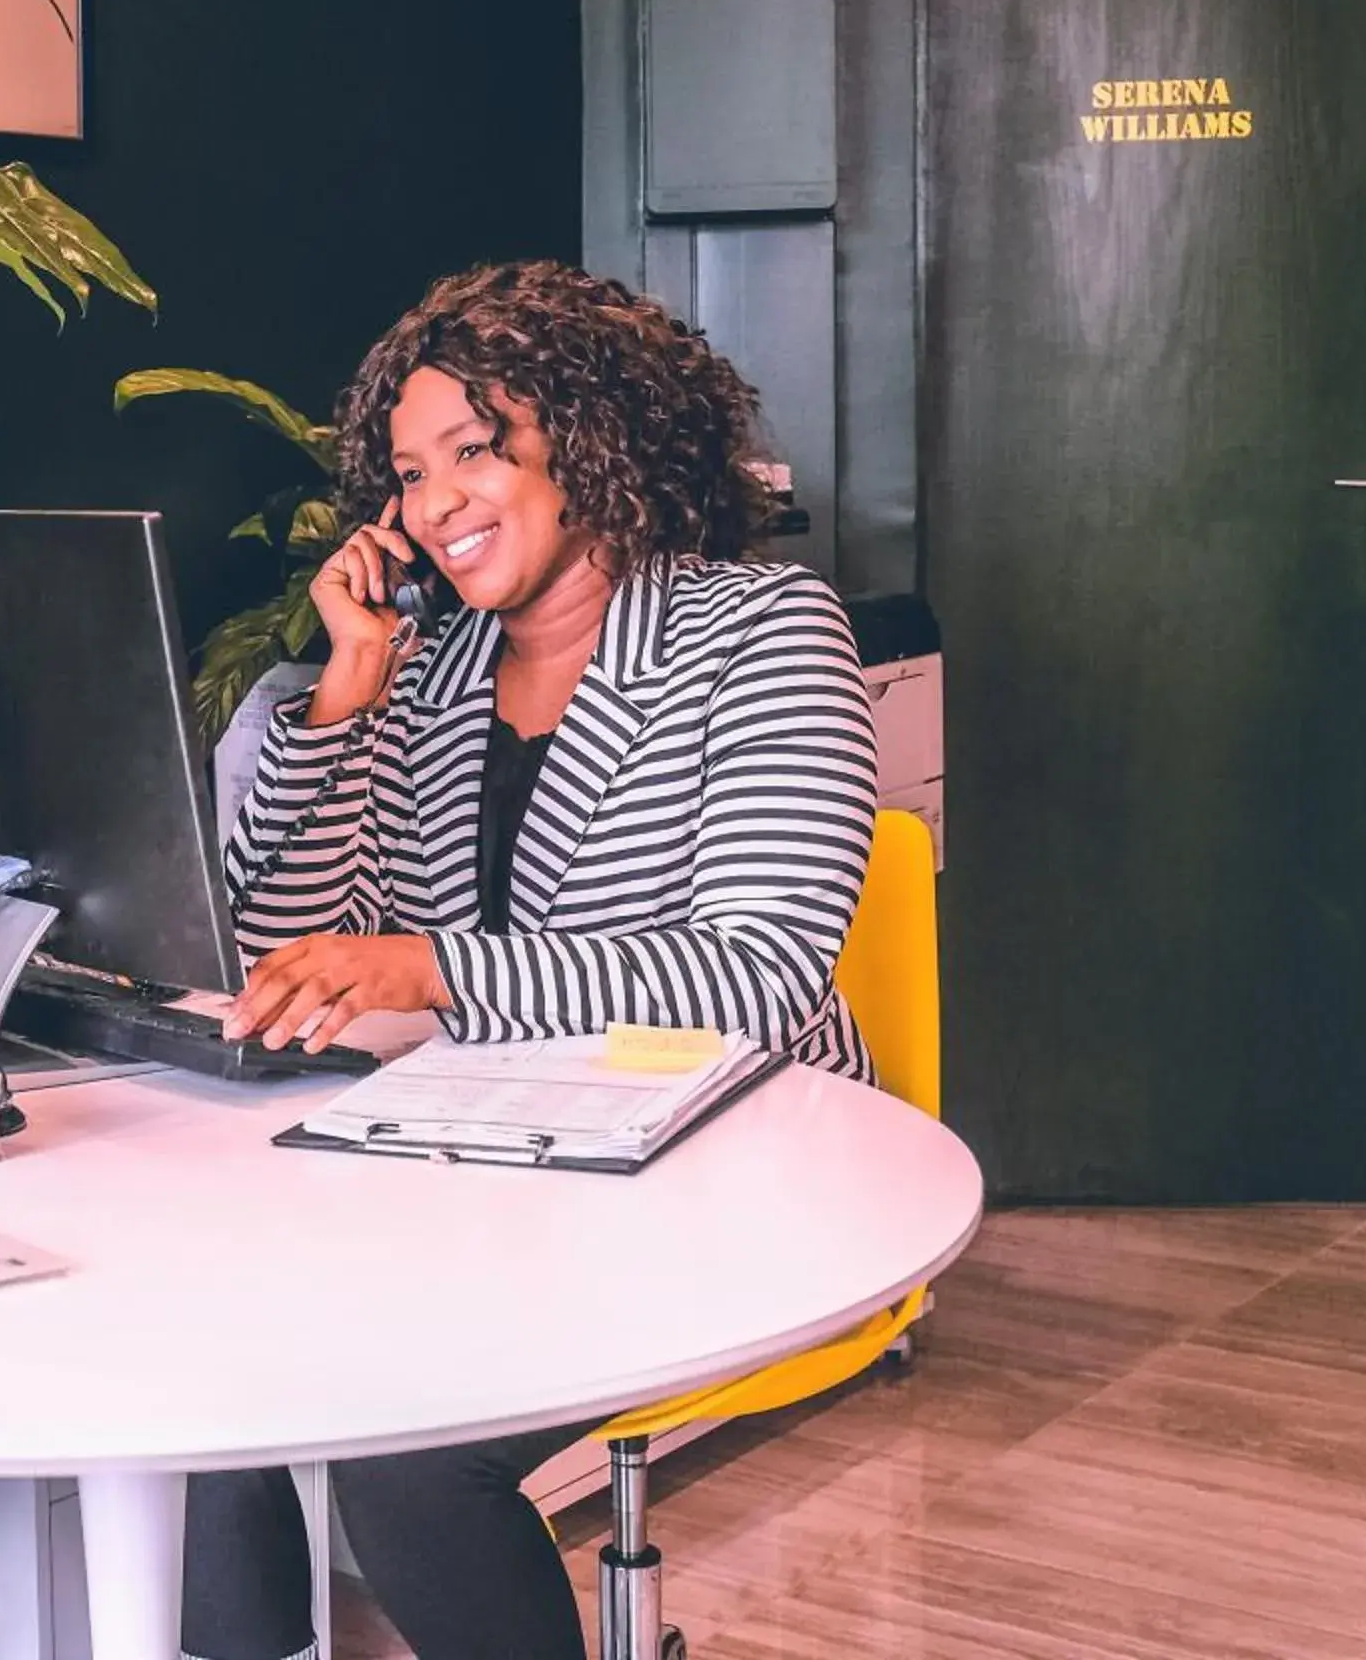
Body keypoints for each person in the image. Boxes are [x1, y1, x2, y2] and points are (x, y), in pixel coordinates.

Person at [181, 261, 880, 1660]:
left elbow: (758, 973)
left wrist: (434, 971)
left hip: (730, 1170)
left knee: (410, 1461)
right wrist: (345, 693)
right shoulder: (432, 675)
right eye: (409, 474)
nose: (438, 503)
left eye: (474, 450)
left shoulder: (764, 634)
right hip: (504, 1168)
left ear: (593, 439)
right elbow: (290, 939)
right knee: (218, 1363)